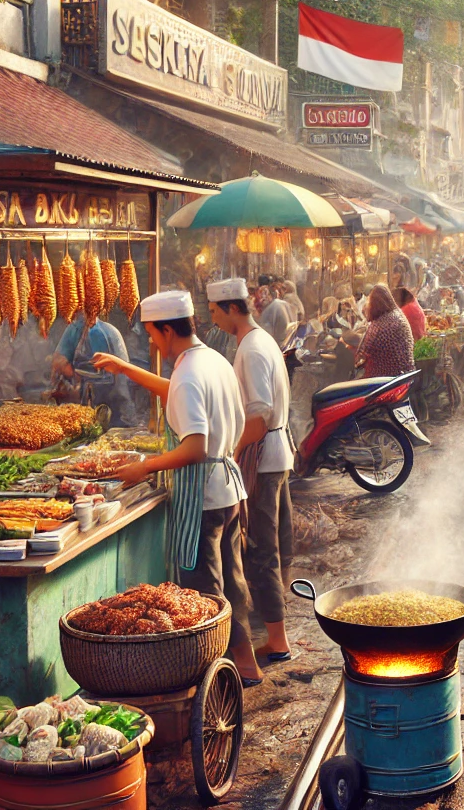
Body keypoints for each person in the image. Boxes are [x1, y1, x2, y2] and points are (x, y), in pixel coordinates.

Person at [92, 292, 260, 685]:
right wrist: (126, 368)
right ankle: (246, 664)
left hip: (203, 497)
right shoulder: (211, 361)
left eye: (153, 334)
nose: (152, 342)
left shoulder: (188, 374)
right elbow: (178, 393)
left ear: (168, 330)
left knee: (205, 592)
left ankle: (214, 677)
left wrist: (144, 467)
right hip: (229, 490)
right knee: (232, 580)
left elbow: (195, 445)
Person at [206, 280, 294, 667]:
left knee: (261, 550)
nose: (212, 320)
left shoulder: (252, 348)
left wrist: (232, 451)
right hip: (278, 453)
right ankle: (279, 623)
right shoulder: (261, 340)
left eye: (213, 312)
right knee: (277, 541)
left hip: (265, 454)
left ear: (230, 309)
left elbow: (257, 418)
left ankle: (277, 640)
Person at [49, 304, 142, 428]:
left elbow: (58, 362)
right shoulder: (110, 330)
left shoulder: (77, 329)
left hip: (102, 398)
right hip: (120, 400)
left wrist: (75, 380)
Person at [356, 285, 414, 378]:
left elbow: (363, 353)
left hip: (384, 379)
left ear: (376, 303)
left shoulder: (379, 326)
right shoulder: (397, 314)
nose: (366, 306)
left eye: (368, 302)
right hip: (404, 374)